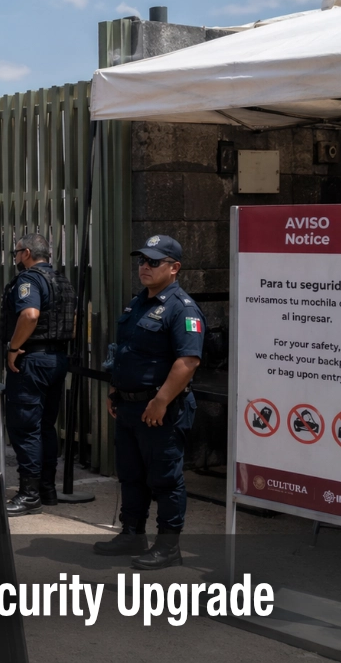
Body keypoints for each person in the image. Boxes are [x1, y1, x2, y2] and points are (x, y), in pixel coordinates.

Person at [94, 235, 202, 570]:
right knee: (131, 474)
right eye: (142, 260)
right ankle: (132, 533)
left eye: (154, 262)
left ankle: (168, 546)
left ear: (174, 268)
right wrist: (116, 391)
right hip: (130, 406)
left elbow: (188, 361)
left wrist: (160, 401)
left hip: (161, 409)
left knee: (165, 478)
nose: (144, 267)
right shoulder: (137, 303)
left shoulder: (182, 309)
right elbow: (127, 353)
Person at [0, 234, 76, 516]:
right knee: (45, 426)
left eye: (17, 252)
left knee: (25, 427)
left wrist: (14, 347)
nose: (16, 258)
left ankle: (29, 493)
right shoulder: (63, 281)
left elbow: (29, 314)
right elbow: (72, 322)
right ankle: (46, 488)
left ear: (27, 253)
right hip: (56, 359)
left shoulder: (29, 280)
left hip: (31, 360)